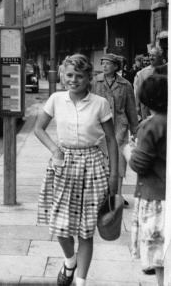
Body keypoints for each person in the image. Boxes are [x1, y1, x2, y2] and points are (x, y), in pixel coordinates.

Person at [34, 54, 118, 286]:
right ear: (63, 76)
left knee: (86, 231)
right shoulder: (56, 99)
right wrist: (55, 150)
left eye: (79, 76)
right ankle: (70, 261)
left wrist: (114, 175)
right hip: (63, 166)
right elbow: (39, 128)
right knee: (61, 227)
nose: (73, 80)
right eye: (69, 75)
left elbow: (111, 139)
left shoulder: (100, 103)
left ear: (88, 78)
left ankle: (80, 281)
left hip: (92, 166)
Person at [123, 74, 167, 285]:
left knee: (160, 256)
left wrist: (128, 150)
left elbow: (139, 164)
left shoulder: (151, 125)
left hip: (155, 199)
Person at [92, 53, 139, 206]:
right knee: (101, 161)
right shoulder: (95, 82)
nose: (104, 66)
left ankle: (117, 195)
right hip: (99, 127)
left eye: (108, 63)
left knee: (118, 161)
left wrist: (135, 130)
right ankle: (103, 195)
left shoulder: (126, 85)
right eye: (103, 63)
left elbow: (131, 109)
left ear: (115, 66)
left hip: (119, 127)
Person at [134, 46, 165, 120]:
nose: (151, 58)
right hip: (146, 106)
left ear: (160, 57)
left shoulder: (166, 69)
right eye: (150, 55)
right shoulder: (143, 72)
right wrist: (137, 106)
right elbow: (139, 89)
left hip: (163, 105)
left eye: (154, 56)